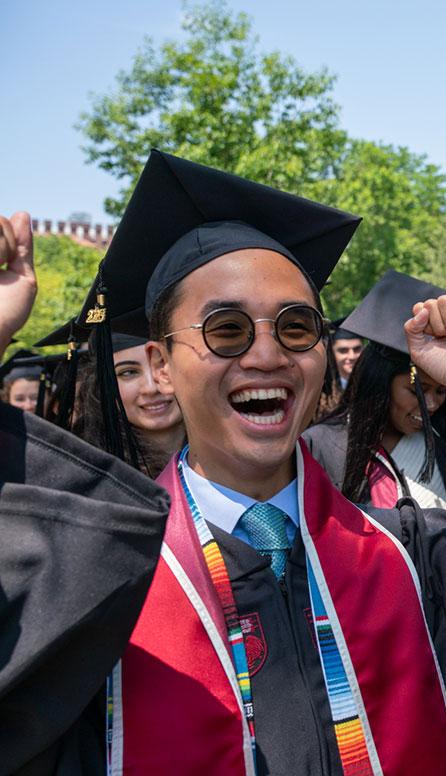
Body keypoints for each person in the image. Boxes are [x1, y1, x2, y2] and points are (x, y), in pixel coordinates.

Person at [36, 148, 446, 776]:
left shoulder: (413, 558)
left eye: (295, 328)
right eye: (226, 330)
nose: (266, 355)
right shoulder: (97, 586)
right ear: (159, 366)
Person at [0, 210, 177, 774]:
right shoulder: (78, 498)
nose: (151, 387)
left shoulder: (241, 484)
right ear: (102, 383)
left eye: (159, 366)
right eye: (126, 373)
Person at [304, 271, 446, 514]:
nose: (432, 404)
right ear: (380, 383)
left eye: (441, 390)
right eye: (417, 391)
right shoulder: (323, 446)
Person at [64, 332, 186, 477]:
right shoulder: (88, 477)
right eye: (128, 372)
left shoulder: (219, 461)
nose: (151, 388)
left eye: (163, 367)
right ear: (102, 387)